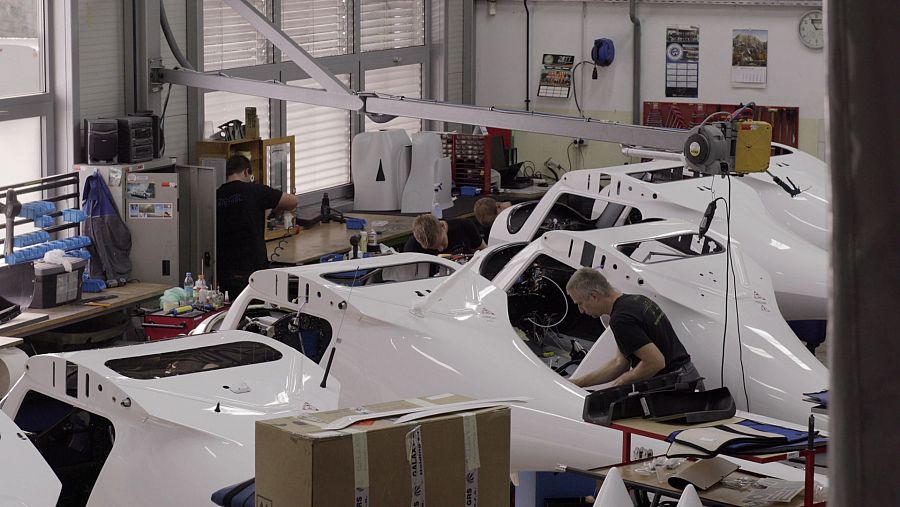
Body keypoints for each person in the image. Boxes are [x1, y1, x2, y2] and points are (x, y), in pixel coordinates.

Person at [564, 267, 699, 388]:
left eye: (580, 303)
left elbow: (656, 362)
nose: (581, 310)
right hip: (689, 377)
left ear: (594, 296)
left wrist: (618, 384)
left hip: (677, 388)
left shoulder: (621, 320)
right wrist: (576, 383)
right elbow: (619, 363)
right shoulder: (637, 300)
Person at [216, 155, 298, 296]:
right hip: (252, 269)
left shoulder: (216, 195)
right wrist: (276, 208)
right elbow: (293, 201)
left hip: (224, 270)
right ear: (247, 172)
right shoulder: (255, 190)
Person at [404, 214, 486, 255]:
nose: (441, 249)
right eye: (433, 249)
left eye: (442, 242)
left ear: (442, 226)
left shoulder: (465, 226)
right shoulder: (412, 248)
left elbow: (484, 251)